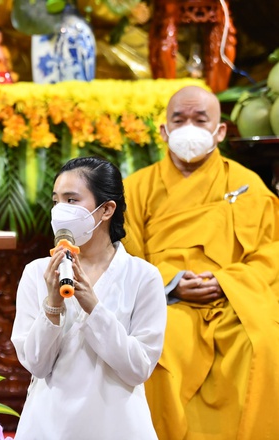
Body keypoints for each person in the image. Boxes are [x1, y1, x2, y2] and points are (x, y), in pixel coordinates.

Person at [123, 85, 279, 439]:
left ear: (220, 131)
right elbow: (121, 257)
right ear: (164, 130)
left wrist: (227, 282)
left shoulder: (247, 185)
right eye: (179, 120)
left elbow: (272, 252)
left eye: (200, 119)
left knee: (265, 343)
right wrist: (170, 282)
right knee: (158, 350)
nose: (189, 128)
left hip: (234, 302)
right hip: (164, 303)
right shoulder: (135, 188)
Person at [11, 157, 167, 439]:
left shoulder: (143, 276)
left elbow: (139, 368)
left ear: (106, 209)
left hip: (118, 426)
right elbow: (36, 363)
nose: (60, 210)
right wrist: (53, 304)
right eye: (56, 201)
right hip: (49, 425)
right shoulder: (37, 273)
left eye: (71, 200)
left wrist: (94, 309)